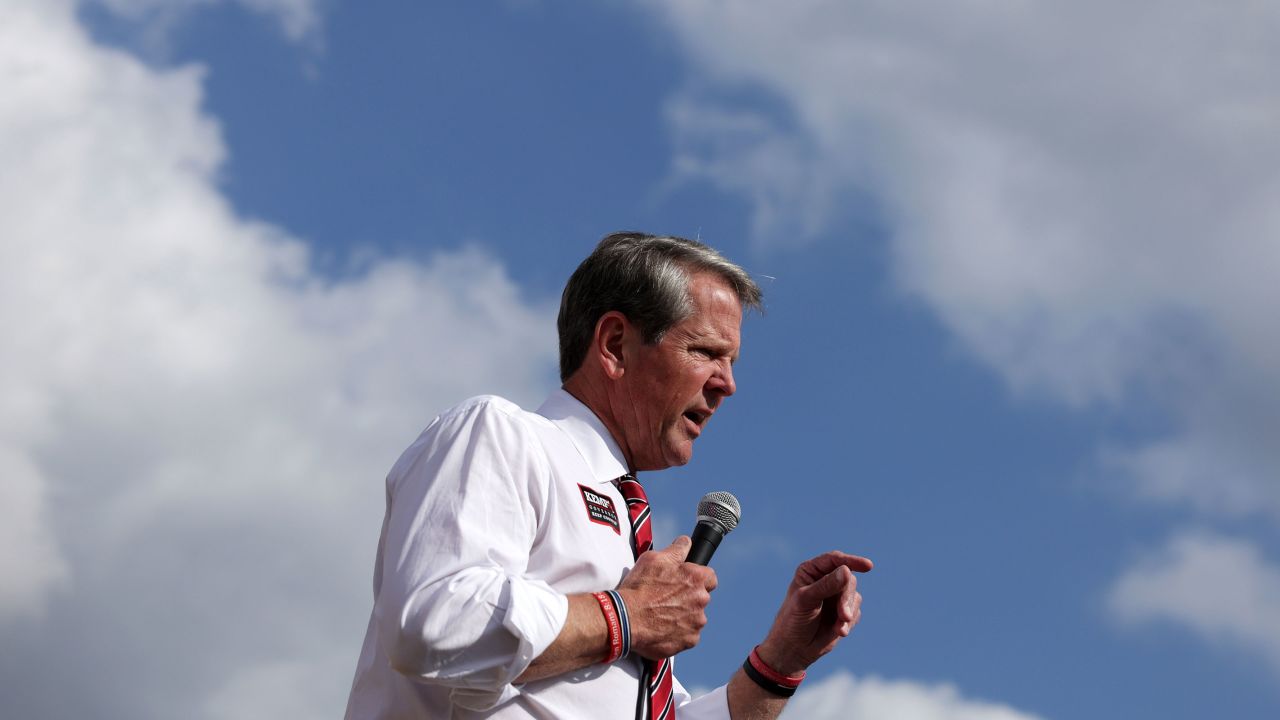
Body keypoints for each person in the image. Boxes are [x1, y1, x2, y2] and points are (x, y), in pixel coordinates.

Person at [345, 232, 873, 719]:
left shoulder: (627, 529)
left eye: (731, 361)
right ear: (616, 344)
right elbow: (436, 623)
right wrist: (626, 615)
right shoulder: (502, 435)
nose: (727, 384)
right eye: (706, 352)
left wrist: (780, 661)